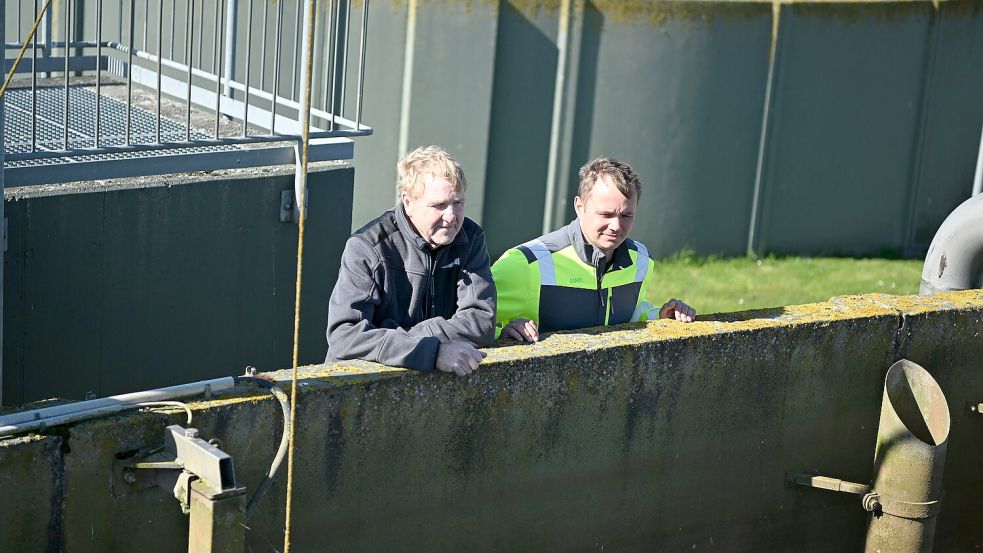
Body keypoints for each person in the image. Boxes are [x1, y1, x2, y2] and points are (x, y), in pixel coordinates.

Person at [325, 146, 496, 375]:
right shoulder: (367, 247)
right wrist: (431, 352)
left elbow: (481, 323)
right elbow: (345, 336)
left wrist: (399, 337)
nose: (451, 216)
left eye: (458, 202)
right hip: (355, 389)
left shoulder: (470, 238)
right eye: (439, 205)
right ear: (408, 202)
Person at [492, 156, 695, 342]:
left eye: (626, 216)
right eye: (606, 215)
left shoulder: (642, 260)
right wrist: (503, 332)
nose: (616, 226)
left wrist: (660, 316)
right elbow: (465, 321)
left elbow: (631, 314)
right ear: (579, 207)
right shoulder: (524, 263)